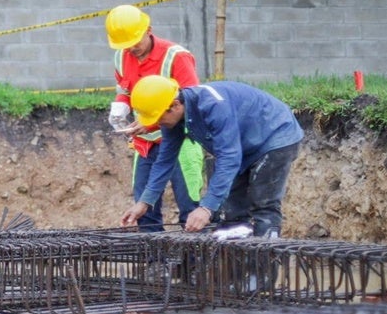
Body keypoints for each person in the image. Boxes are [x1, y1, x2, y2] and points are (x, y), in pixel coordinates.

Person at [119, 75, 304, 238]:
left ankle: (265, 264)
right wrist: (145, 202)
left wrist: (206, 208)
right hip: (243, 145)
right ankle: (239, 265)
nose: (158, 123)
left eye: (159, 118)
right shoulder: (174, 118)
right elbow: (165, 161)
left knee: (263, 204)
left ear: (175, 105)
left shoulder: (213, 107)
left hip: (275, 135)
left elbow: (229, 158)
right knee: (232, 211)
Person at [105, 4, 205, 232]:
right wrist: (120, 105)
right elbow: (125, 90)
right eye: (125, 45)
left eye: (135, 42)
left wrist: (150, 123)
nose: (131, 48)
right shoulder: (121, 57)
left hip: (182, 142)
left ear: (148, 30)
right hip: (146, 145)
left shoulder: (176, 57)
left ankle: (196, 253)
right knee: (145, 212)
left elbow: (192, 101)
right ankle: (154, 255)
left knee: (190, 210)